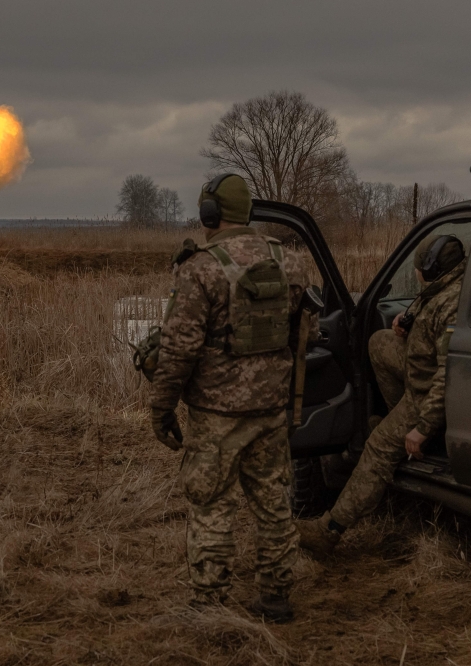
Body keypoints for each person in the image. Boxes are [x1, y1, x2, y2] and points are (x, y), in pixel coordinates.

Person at [150, 173, 317, 623]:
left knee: (211, 506)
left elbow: (179, 347)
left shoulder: (200, 268)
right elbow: (307, 333)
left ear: (209, 213)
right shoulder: (292, 263)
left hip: (216, 416)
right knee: (274, 505)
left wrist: (161, 408)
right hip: (271, 410)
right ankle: (277, 598)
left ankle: (209, 604)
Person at [296, 234, 466, 554]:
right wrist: (406, 322)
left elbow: (448, 375)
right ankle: (394, 420)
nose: (416, 272)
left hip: (427, 394)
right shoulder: (447, 285)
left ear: (429, 269)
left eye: (418, 266)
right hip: (420, 369)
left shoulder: (451, 308)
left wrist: (423, 426)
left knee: (376, 447)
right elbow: (427, 318)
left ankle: (329, 530)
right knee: (379, 342)